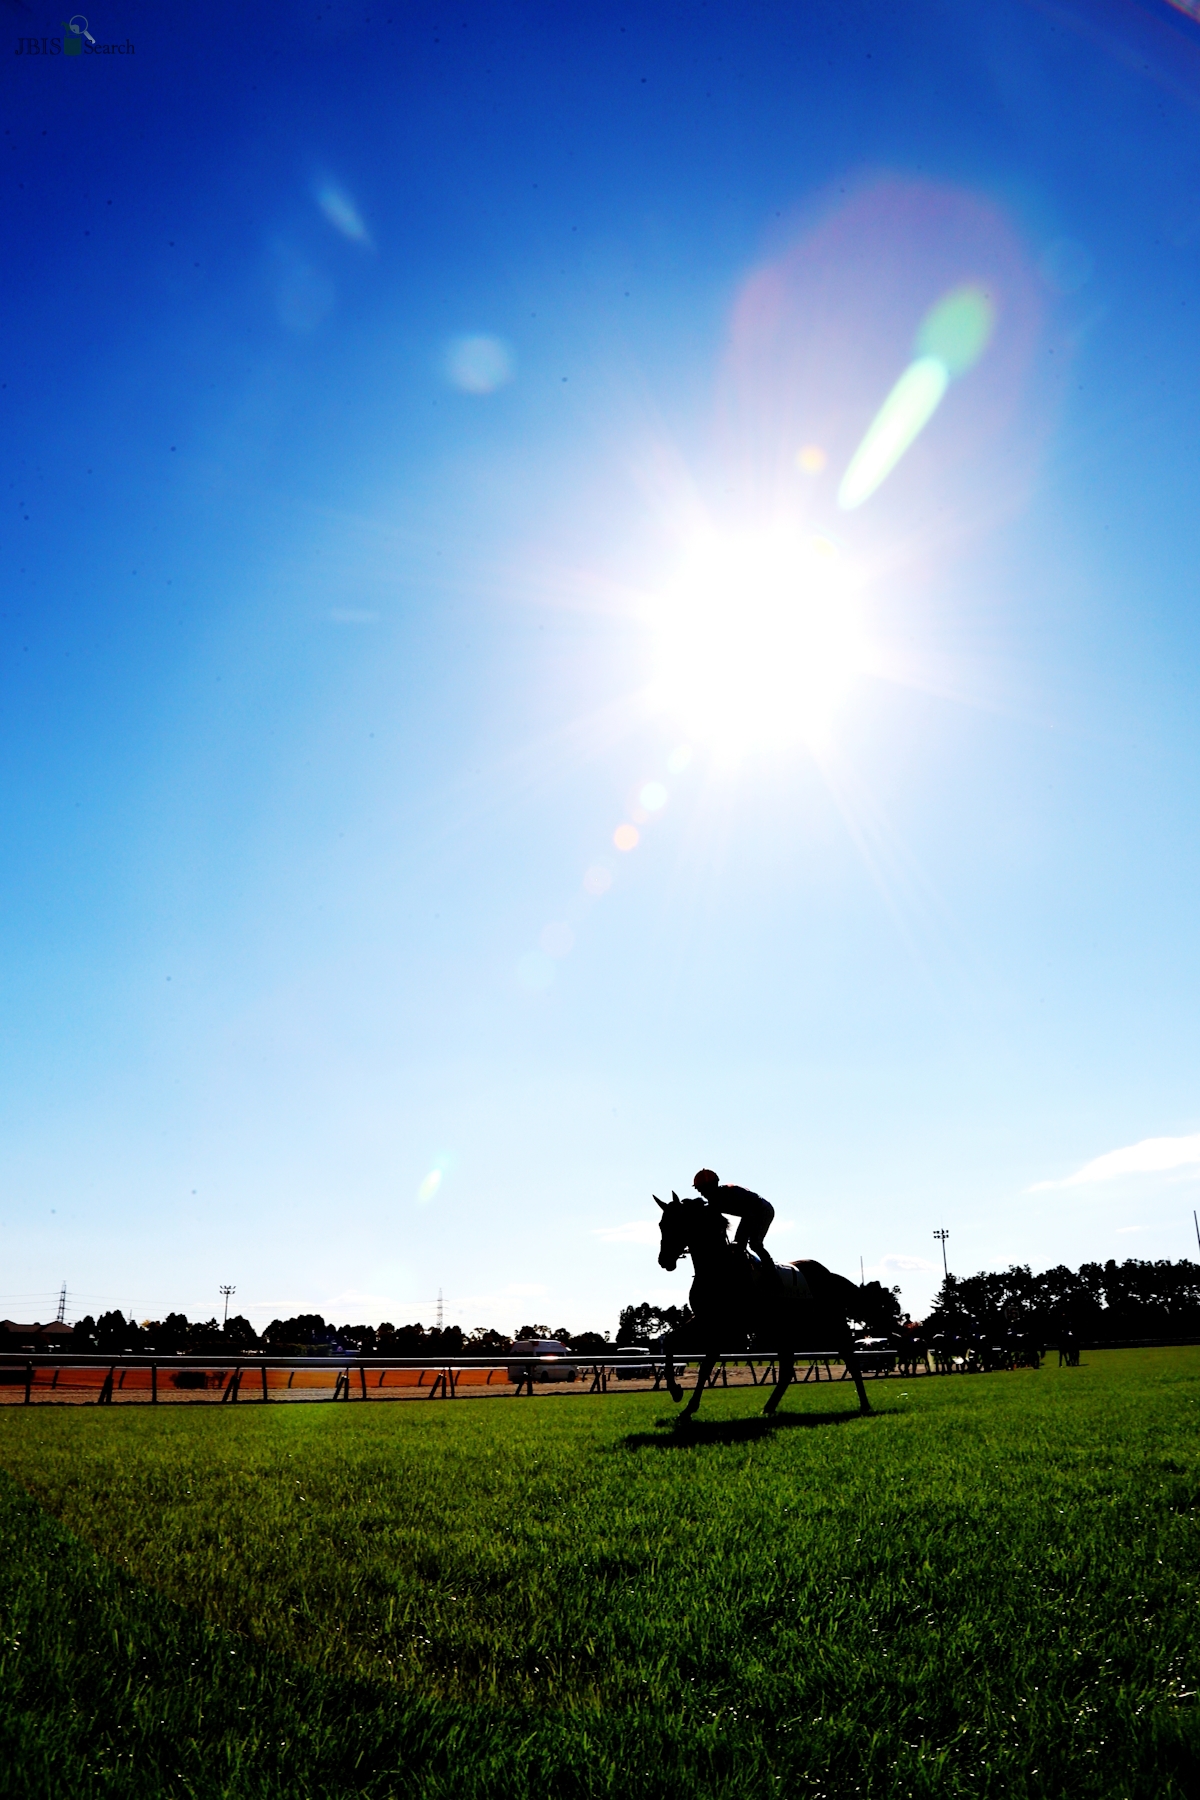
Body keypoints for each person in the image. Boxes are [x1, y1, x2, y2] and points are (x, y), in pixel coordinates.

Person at [693, 1168, 779, 1280]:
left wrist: (739, 1241)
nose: (702, 1193)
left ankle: (773, 1274)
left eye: (704, 1189)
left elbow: (749, 1216)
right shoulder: (714, 1201)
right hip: (750, 1213)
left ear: (713, 1185)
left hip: (763, 1210)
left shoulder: (729, 1195)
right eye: (700, 1190)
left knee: (755, 1244)